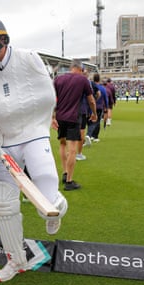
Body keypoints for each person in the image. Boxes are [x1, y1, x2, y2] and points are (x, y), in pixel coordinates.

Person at [0, 16, 68, 282]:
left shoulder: (29, 57)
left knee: (46, 193)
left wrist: (23, 115)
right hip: (7, 144)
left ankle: (58, 207)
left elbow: (47, 95)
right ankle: (16, 260)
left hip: (34, 133)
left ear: (1, 38)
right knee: (2, 205)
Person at [53, 59, 98, 191]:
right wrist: (94, 113)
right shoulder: (82, 80)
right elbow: (91, 100)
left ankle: (65, 172)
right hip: (73, 117)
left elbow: (51, 99)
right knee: (72, 149)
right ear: (80, 68)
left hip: (60, 117)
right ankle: (69, 181)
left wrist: (52, 116)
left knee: (62, 144)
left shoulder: (58, 79)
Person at [87, 73, 107, 142]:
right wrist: (106, 107)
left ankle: (90, 135)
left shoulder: (90, 85)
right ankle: (94, 136)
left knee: (90, 121)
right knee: (97, 122)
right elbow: (106, 99)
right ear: (99, 79)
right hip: (99, 107)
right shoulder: (102, 88)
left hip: (90, 106)